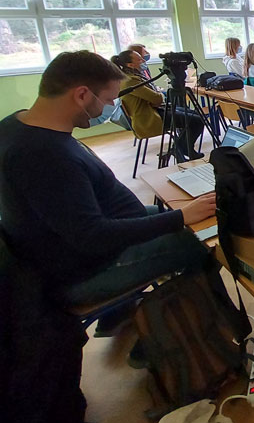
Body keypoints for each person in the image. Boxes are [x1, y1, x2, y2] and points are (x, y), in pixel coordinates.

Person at [0, 51, 216, 357]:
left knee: (184, 215)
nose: (109, 108)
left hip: (83, 245)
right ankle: (164, 338)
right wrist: (180, 218)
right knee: (204, 241)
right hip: (87, 269)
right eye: (108, 99)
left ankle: (120, 314)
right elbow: (93, 236)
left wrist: (179, 215)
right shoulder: (43, 156)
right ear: (82, 95)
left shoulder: (18, 125)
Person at [113, 50, 205, 162]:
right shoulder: (130, 81)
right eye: (139, 59)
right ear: (130, 65)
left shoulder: (133, 76)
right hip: (149, 118)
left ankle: (181, 148)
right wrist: (159, 94)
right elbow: (157, 98)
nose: (143, 60)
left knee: (196, 115)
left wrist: (156, 95)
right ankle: (181, 148)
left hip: (155, 110)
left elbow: (154, 97)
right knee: (197, 121)